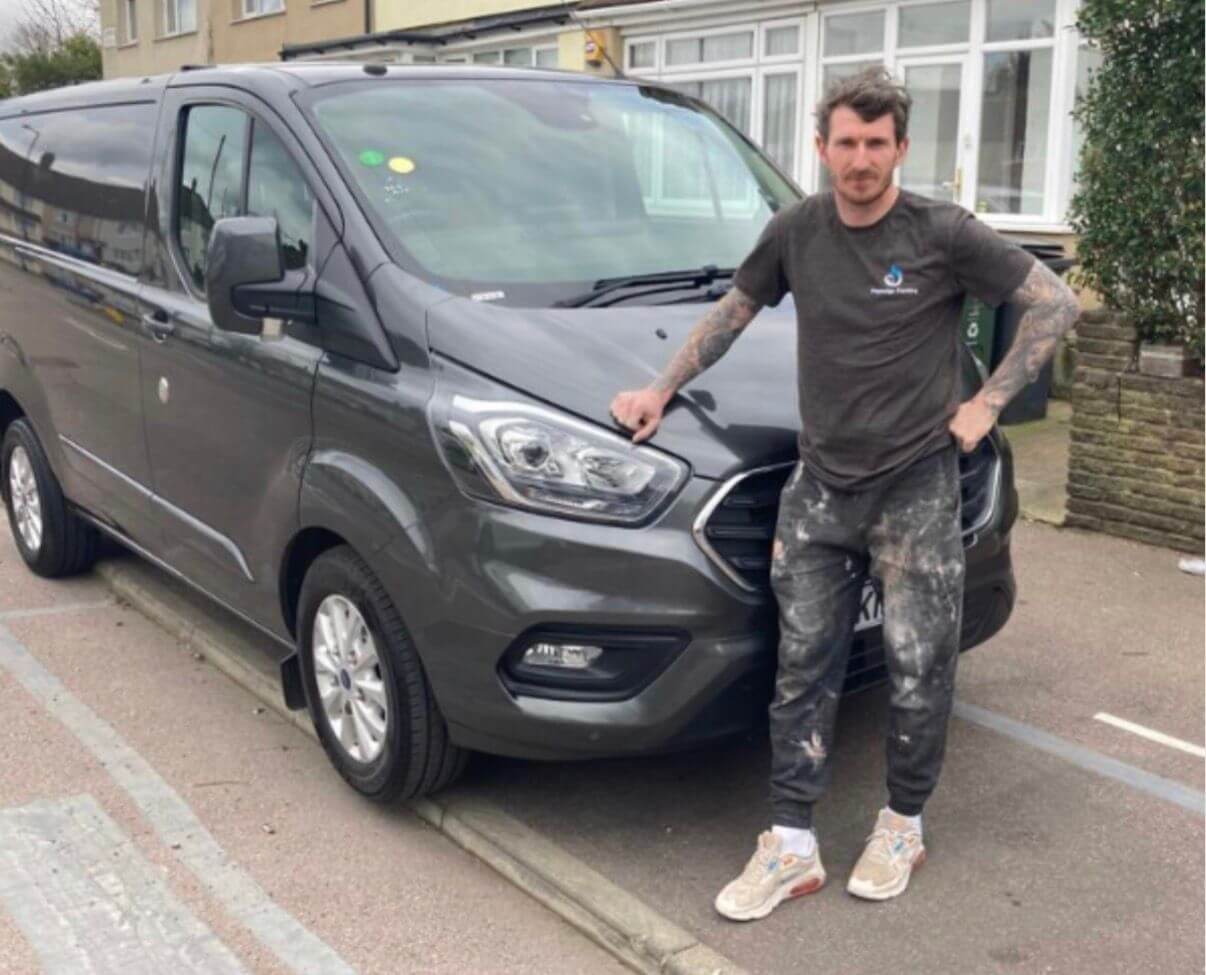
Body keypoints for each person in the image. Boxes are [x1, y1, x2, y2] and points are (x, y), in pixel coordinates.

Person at [609, 68, 1078, 919]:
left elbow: (1053, 301)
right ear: (821, 148)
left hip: (916, 489)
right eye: (846, 143)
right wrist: (659, 388)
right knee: (801, 668)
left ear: (901, 148)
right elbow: (734, 311)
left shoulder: (942, 232)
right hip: (820, 489)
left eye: (876, 143)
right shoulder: (797, 230)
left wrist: (987, 402)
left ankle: (902, 824)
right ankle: (791, 844)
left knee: (918, 667)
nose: (861, 159)